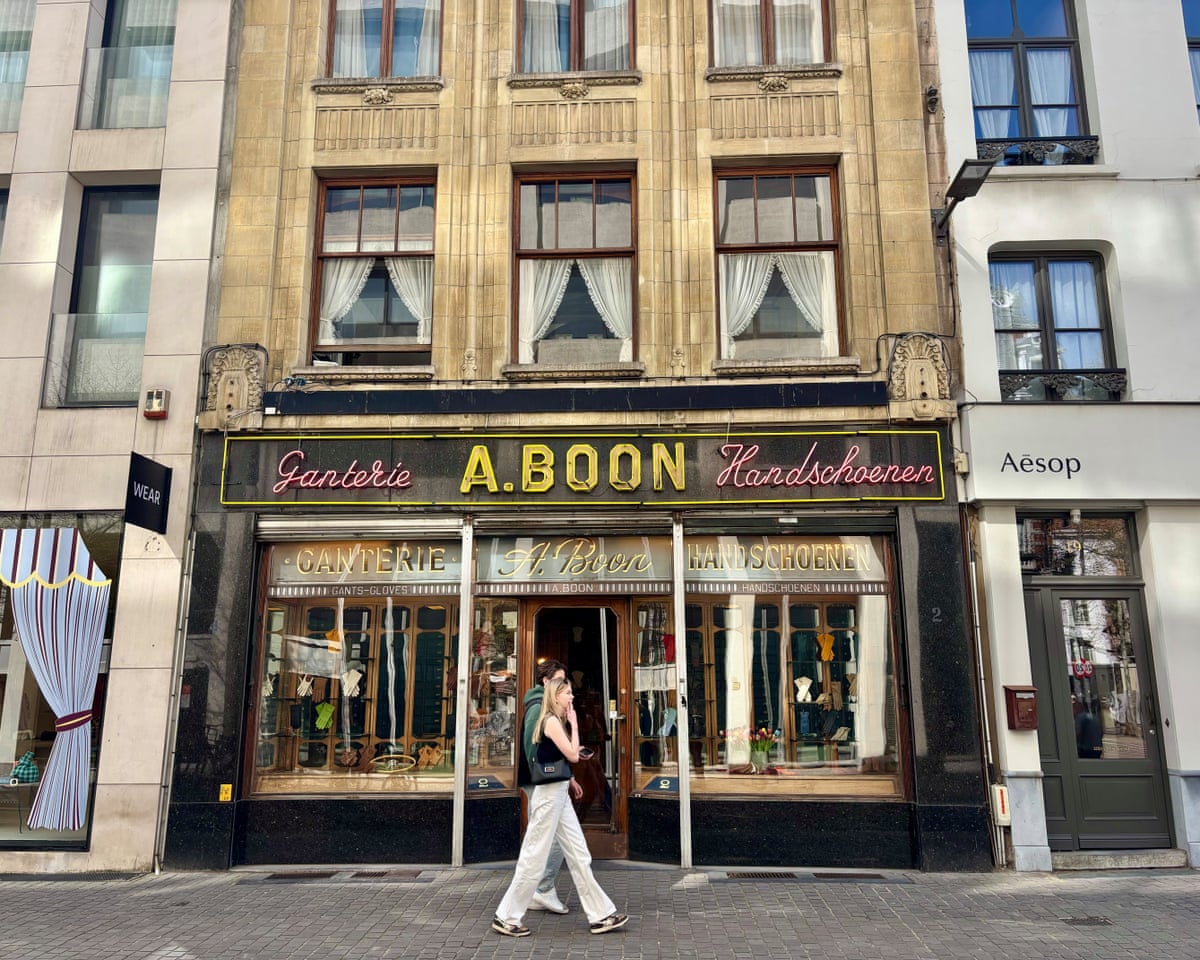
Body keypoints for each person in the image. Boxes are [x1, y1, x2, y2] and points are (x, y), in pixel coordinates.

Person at [492, 678, 629, 938]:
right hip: (548, 795)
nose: (572, 698)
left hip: (559, 792)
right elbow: (574, 755)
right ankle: (506, 916)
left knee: (579, 854)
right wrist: (575, 724)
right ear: (555, 696)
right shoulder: (551, 721)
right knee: (534, 855)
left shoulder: (556, 720)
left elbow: (571, 752)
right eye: (567, 693)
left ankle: (600, 914)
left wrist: (573, 728)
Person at [517, 659, 574, 914]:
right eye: (559, 681)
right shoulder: (538, 707)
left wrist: (569, 777)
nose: (564, 687)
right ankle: (541, 889)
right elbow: (533, 747)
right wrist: (545, 777)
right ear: (545, 681)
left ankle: (535, 891)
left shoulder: (546, 705)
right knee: (548, 839)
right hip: (540, 782)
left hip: (549, 780)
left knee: (548, 837)